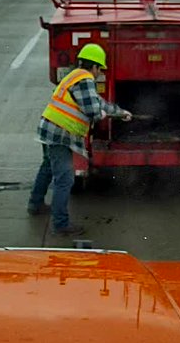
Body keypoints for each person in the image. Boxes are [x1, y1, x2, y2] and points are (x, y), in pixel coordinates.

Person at [29, 43, 131, 236]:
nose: (99, 72)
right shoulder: (85, 79)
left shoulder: (74, 75)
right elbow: (93, 110)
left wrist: (119, 112)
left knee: (48, 167)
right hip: (60, 133)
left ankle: (35, 204)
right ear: (93, 66)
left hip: (49, 127)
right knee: (65, 179)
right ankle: (60, 225)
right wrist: (103, 114)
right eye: (99, 68)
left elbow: (97, 102)